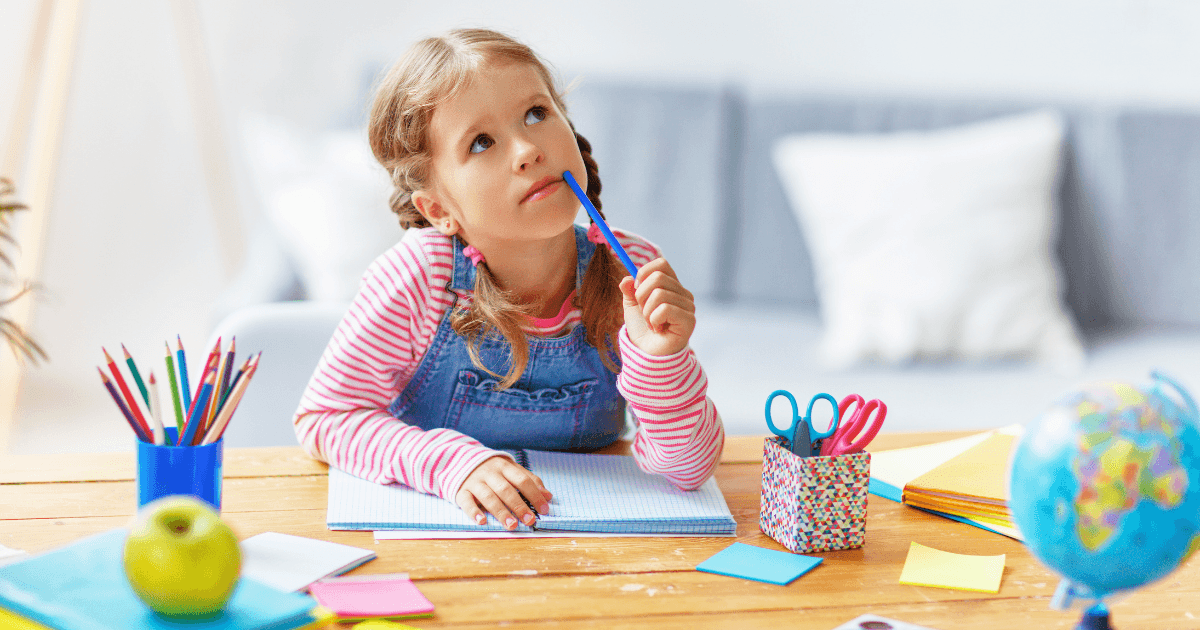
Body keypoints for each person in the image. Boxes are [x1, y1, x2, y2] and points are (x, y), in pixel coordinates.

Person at [293, 28, 724, 531]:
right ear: (438, 209)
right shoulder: (418, 278)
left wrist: (661, 361)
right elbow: (323, 419)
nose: (526, 150)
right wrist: (451, 462)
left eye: (537, 114)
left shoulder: (629, 268)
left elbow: (690, 468)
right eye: (480, 143)